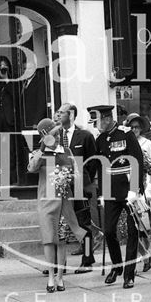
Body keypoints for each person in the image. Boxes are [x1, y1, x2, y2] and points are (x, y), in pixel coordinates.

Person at [87, 105, 144, 289]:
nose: (95, 126)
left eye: (96, 122)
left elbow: (137, 162)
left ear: (106, 118)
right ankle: (117, 266)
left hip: (128, 190)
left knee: (132, 232)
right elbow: (100, 167)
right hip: (110, 191)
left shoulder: (126, 134)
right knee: (109, 231)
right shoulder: (101, 139)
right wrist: (101, 193)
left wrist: (134, 190)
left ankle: (129, 275)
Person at [28, 118, 87, 293]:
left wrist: (69, 177)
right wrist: (43, 149)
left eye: (58, 132)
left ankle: (60, 277)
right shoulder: (39, 152)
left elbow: (78, 175)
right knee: (48, 240)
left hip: (63, 202)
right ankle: (51, 276)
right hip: (46, 202)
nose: (58, 135)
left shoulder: (67, 151)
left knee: (61, 241)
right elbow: (31, 168)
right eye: (54, 134)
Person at [55, 103, 103, 274]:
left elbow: (93, 161)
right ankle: (60, 264)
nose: (58, 115)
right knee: (58, 224)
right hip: (59, 188)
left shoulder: (84, 136)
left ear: (72, 115)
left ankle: (88, 260)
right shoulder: (55, 136)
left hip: (79, 188)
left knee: (83, 224)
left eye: (62, 113)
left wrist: (83, 181)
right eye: (58, 112)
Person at [125, 113, 151, 272]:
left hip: (144, 189)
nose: (134, 130)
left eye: (136, 127)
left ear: (141, 128)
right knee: (132, 230)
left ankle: (144, 255)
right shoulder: (125, 143)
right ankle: (142, 257)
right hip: (128, 189)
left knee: (145, 230)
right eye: (131, 127)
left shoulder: (146, 144)